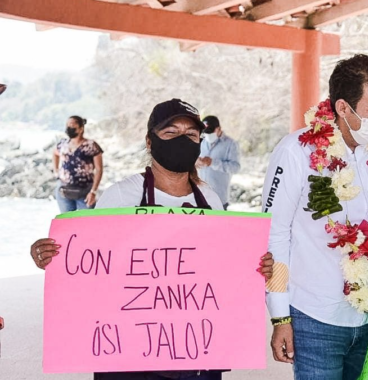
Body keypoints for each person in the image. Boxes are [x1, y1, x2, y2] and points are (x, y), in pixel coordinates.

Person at [30, 99, 274, 380]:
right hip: (128, 359)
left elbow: (224, 271)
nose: (182, 140)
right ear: (149, 141)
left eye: (191, 135)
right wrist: (49, 256)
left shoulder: (210, 199)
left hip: (199, 355)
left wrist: (255, 269)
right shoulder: (120, 196)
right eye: (170, 133)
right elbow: (88, 265)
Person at [262, 54, 368, 380]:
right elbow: (274, 235)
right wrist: (280, 317)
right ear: (342, 108)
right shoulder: (297, 151)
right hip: (314, 319)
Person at [53, 116, 104, 212]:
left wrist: (93, 191)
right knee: (67, 222)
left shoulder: (91, 146)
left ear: (81, 129)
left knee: (86, 222)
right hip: (64, 190)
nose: (69, 127)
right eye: (67, 125)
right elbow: (55, 153)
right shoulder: (63, 144)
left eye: (72, 125)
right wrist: (56, 170)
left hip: (85, 191)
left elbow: (99, 169)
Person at [197, 115, 241, 210]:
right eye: (206, 132)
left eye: (210, 132)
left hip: (219, 197)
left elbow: (236, 167)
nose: (208, 135)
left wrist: (213, 163)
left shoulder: (231, 144)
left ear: (219, 129)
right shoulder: (201, 143)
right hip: (200, 196)